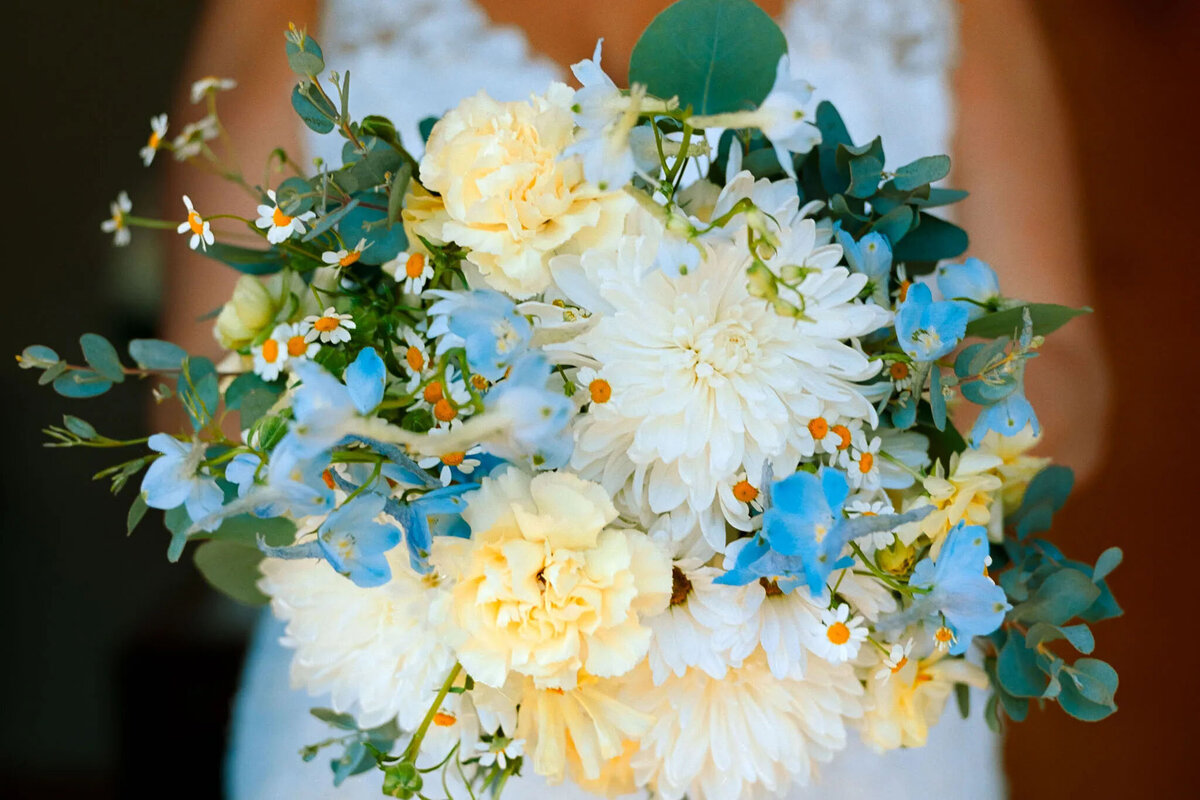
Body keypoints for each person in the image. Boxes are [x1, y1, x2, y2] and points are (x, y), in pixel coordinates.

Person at [162, 1, 1111, 797]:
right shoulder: (292, 11)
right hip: (434, 704)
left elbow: (1066, 387)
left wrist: (814, 436)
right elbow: (199, 413)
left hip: (825, 710)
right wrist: (464, 449)